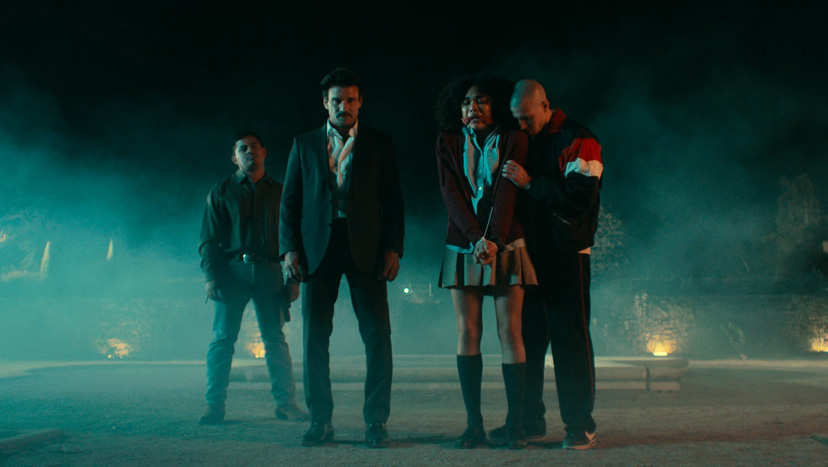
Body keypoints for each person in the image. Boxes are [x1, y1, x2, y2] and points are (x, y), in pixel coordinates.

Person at [280, 67, 405, 448]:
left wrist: (393, 248)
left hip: (367, 248)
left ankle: (376, 422)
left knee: (378, 337)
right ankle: (320, 421)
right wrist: (289, 249)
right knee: (315, 338)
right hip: (317, 248)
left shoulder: (379, 143)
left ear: (360, 102)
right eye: (336, 100)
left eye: (350, 100)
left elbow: (393, 202)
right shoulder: (304, 144)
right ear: (325, 102)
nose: (343, 106)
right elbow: (290, 202)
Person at [435, 76, 536, 450]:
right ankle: (473, 425)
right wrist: (476, 238)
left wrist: (493, 239)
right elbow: (450, 194)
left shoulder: (514, 138)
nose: (472, 107)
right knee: (468, 331)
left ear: (497, 105)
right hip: (464, 244)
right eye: (466, 102)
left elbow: (507, 193)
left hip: (506, 242)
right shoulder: (447, 141)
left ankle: (515, 426)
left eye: (481, 101)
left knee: (510, 331)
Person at [502, 79, 603, 450]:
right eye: (516, 119)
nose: (522, 125)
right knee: (529, 339)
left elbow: (580, 198)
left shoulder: (580, 139)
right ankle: (531, 422)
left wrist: (530, 184)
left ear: (546, 106)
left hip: (567, 252)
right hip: (533, 252)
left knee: (569, 340)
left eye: (527, 118)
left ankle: (580, 425)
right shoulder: (532, 137)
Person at [197, 130, 307, 425]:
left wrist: (293, 280)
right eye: (243, 148)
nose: (250, 151)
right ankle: (214, 405)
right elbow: (208, 238)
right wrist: (211, 275)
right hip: (231, 270)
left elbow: (295, 237)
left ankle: (285, 404)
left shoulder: (281, 192)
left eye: (254, 146)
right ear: (234, 157)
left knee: (275, 340)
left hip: (270, 270)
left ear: (264, 152)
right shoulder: (221, 191)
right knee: (222, 339)